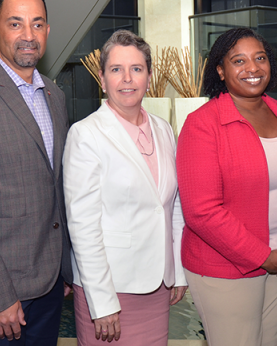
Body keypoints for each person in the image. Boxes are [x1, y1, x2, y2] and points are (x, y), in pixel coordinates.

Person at [176, 27, 277, 346]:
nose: (252, 68)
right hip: (226, 269)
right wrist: (264, 257)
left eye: (260, 58)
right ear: (221, 71)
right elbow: (201, 212)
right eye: (238, 60)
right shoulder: (202, 125)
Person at [63, 30, 187, 345]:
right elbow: (82, 225)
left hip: (158, 286)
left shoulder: (163, 129)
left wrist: (179, 272)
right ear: (102, 80)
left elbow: (172, 207)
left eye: (137, 69)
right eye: (116, 69)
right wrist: (102, 303)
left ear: (148, 76)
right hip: (110, 290)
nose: (127, 78)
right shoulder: (85, 134)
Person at [0, 0, 73, 345]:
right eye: (16, 24)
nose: (28, 36)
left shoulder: (54, 95)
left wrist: (64, 270)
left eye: (38, 24)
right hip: (0, 294)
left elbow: (54, 187)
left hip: (48, 287)